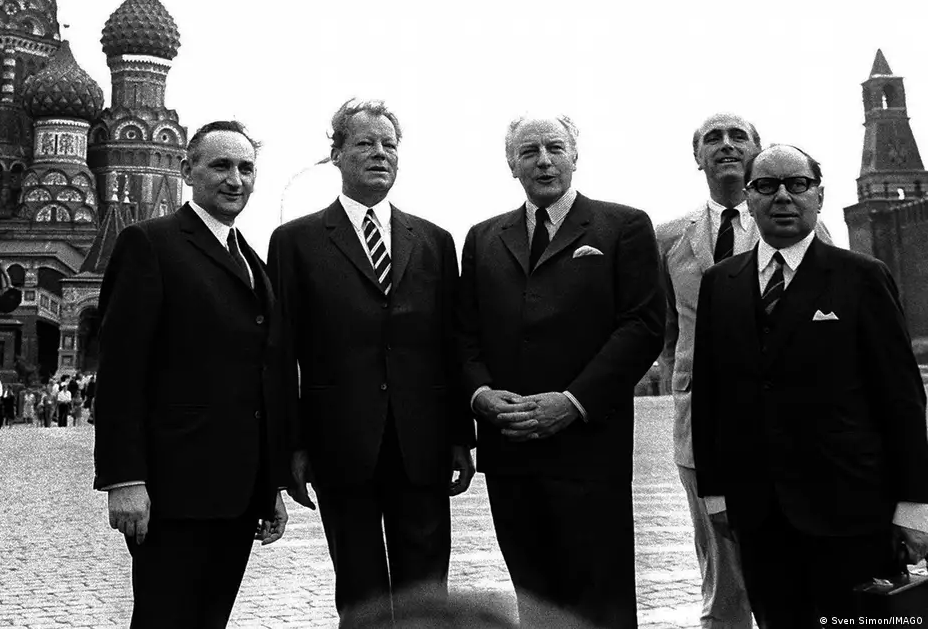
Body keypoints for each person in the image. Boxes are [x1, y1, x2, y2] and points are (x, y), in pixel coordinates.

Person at [691, 144, 928, 626]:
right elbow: (710, 397)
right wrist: (714, 493)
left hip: (851, 510)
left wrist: (914, 506)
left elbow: (901, 399)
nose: (782, 196)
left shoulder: (861, 277)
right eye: (766, 185)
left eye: (797, 184)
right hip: (759, 514)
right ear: (749, 199)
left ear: (819, 196)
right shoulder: (721, 283)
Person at [267, 99, 475, 624]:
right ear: (336, 154)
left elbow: (451, 345)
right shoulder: (295, 242)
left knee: (426, 594)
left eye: (389, 144)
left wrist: (459, 436)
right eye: (364, 143)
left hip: (421, 445)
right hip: (338, 446)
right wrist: (292, 445)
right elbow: (280, 354)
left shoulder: (434, 241)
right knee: (360, 592)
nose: (380, 153)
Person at [456, 114, 665, 629]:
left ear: (575, 156)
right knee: (535, 598)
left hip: (589, 449)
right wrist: (480, 394)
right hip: (510, 448)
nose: (544, 161)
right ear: (512, 165)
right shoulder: (483, 238)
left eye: (555, 148)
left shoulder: (623, 226)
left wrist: (572, 402)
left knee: (601, 599)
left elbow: (642, 326)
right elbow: (463, 334)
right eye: (529, 151)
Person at [95, 120, 291, 628]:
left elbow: (261, 380)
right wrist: (124, 478)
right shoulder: (150, 244)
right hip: (174, 490)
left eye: (246, 168)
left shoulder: (250, 260)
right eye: (220, 165)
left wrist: (268, 486)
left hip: (237, 493)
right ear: (187, 171)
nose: (235, 179)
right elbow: (120, 370)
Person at [656, 113, 834, 628]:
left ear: (757, 151)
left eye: (739, 136)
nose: (726, 145)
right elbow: (666, 327)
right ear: (697, 158)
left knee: (797, 572)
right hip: (704, 425)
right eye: (713, 138)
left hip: (791, 422)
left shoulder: (797, 222)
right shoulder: (668, 237)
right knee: (722, 577)